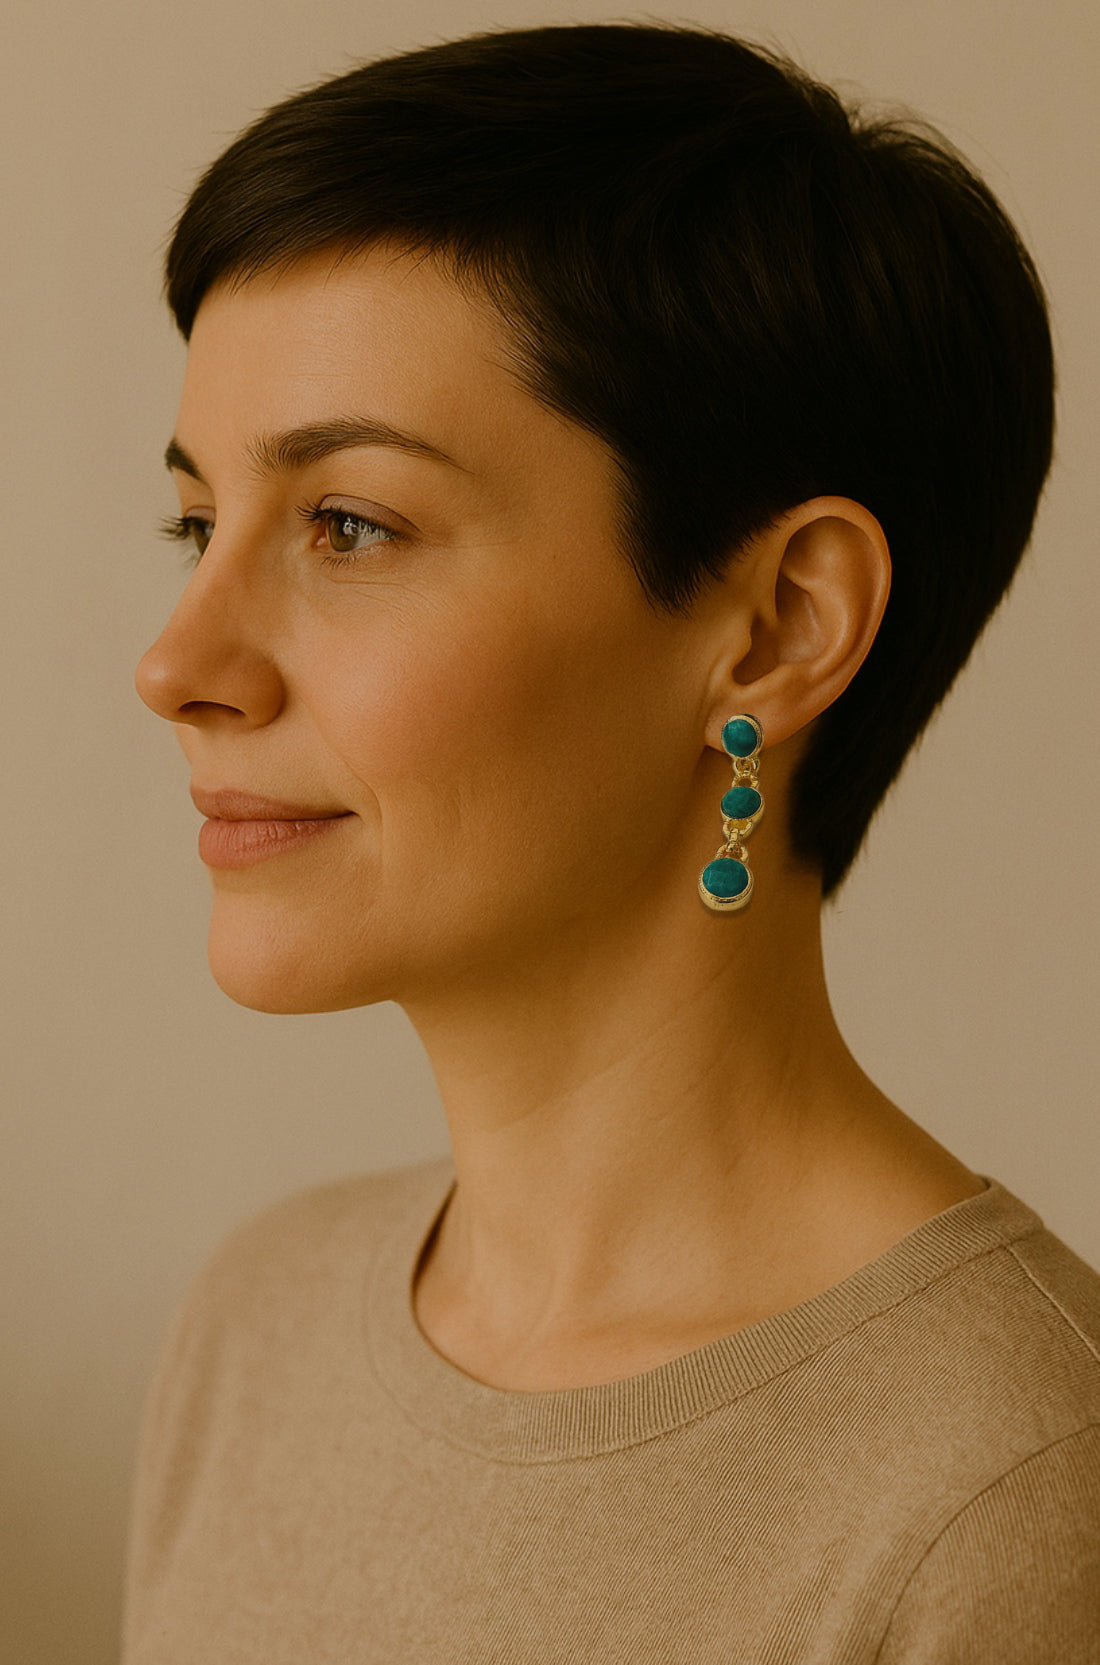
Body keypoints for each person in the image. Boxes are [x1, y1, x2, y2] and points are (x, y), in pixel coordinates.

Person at [124, 21, 1100, 1663]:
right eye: (197, 524)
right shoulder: (256, 1321)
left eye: (349, 524)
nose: (175, 666)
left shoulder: (1007, 1493)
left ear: (783, 625)